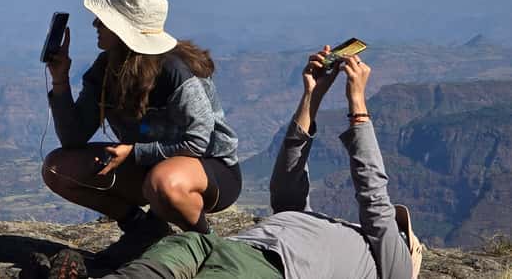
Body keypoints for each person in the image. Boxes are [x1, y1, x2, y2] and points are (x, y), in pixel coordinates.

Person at [92, 47, 423, 279]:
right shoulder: (312, 222)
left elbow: (373, 197)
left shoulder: (392, 269)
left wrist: (357, 104)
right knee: (150, 267)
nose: (395, 230)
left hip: (264, 270)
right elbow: (287, 179)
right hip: (216, 245)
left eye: (401, 235)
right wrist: (312, 95)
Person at [42, 0, 241, 262]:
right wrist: (60, 80)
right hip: (147, 167)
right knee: (58, 169)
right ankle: (143, 229)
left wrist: (135, 152)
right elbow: (73, 138)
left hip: (208, 170)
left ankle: (209, 248)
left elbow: (199, 142)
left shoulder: (176, 71)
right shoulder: (106, 67)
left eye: (104, 20)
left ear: (124, 30)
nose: (96, 24)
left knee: (163, 182)